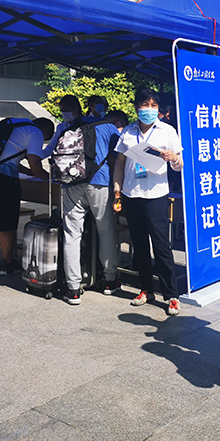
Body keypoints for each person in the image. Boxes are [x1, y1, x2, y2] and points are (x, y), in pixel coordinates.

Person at [113, 88, 184, 316]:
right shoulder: (128, 132)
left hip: (156, 195)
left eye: (154, 105)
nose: (149, 109)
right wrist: (117, 188)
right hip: (131, 193)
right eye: (145, 104)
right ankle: (146, 289)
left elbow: (179, 165)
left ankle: (171, 295)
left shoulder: (167, 131)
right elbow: (120, 163)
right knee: (139, 245)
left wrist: (174, 158)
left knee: (161, 246)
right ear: (137, 107)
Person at [54, 101, 127, 305]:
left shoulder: (71, 125)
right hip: (100, 182)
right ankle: (109, 280)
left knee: (72, 235)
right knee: (106, 230)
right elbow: (118, 158)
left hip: (71, 182)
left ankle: (73, 288)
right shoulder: (109, 128)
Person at [0, 117, 54, 275]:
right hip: (5, 180)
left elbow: (8, 158)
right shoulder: (35, 132)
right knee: (7, 221)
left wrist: (27, 172)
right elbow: (34, 162)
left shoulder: (15, 124)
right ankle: (8, 262)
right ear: (44, 130)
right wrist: (47, 177)